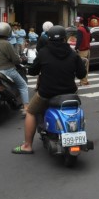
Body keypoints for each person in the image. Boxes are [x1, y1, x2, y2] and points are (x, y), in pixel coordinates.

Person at [11, 25, 86, 154]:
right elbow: (81, 74)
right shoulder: (73, 54)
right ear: (64, 39)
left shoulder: (43, 53)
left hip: (47, 93)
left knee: (31, 112)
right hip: (70, 93)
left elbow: (33, 71)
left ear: (49, 38)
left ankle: (27, 145)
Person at [0, 22, 30, 115]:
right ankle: (26, 107)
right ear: (8, 32)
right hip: (7, 71)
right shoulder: (7, 44)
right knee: (23, 86)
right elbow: (15, 59)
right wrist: (20, 60)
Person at [74, 17, 91, 86]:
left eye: (76, 22)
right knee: (86, 66)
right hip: (88, 50)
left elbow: (79, 40)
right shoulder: (87, 29)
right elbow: (90, 38)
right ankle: (85, 81)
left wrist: (76, 48)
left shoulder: (80, 29)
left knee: (82, 66)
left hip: (82, 50)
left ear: (78, 22)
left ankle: (83, 82)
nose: (75, 23)